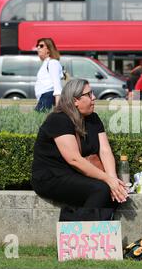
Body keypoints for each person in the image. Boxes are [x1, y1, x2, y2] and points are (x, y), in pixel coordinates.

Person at [31, 78, 129, 222]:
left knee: (116, 191)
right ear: (75, 100)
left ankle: (98, 236)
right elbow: (74, 159)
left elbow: (105, 151)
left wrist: (113, 180)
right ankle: (82, 235)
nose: (94, 98)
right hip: (51, 177)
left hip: (75, 174)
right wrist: (108, 180)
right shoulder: (58, 120)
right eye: (89, 94)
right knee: (101, 189)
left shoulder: (93, 118)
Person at [34, 38, 63, 112]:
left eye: (41, 46)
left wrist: (58, 107)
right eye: (37, 45)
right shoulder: (46, 63)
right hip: (44, 98)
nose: (38, 48)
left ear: (49, 49)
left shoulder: (53, 62)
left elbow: (57, 86)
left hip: (48, 97)